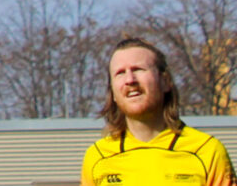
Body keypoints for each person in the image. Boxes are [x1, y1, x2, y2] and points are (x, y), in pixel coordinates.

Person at [84, 38, 231, 186]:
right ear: (113, 92)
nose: (130, 80)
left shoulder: (206, 151)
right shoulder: (98, 157)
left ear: (165, 81)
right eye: (120, 73)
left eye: (138, 69)